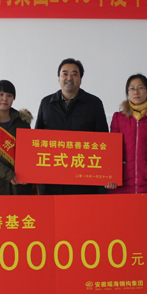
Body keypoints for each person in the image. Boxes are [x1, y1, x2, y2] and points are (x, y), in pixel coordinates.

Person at [35, 58, 109, 195]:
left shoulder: (94, 103)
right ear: (59, 78)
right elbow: (36, 140)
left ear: (80, 79)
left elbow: (104, 140)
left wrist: (108, 173)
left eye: (74, 74)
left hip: (83, 181)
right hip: (52, 180)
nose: (69, 77)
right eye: (65, 73)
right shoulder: (46, 103)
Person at [106, 74, 147, 201]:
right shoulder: (118, 117)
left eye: (140, 88)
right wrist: (111, 176)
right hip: (122, 184)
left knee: (146, 214)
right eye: (132, 88)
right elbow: (113, 150)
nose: (136, 92)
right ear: (127, 92)